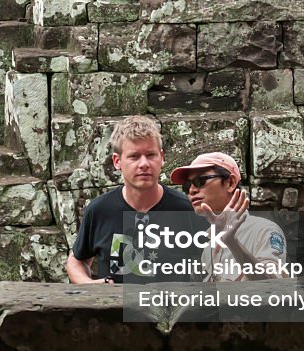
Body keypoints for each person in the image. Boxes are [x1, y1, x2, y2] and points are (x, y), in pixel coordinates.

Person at [65, 115, 194, 284]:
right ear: (117, 161)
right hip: (115, 309)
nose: (144, 164)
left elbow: (212, 266)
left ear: (161, 158)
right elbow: (76, 261)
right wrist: (90, 286)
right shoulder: (100, 210)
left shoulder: (185, 210)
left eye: (151, 155)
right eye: (134, 156)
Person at [170, 152, 289, 282]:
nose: (192, 190)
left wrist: (232, 242)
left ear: (230, 182)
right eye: (186, 186)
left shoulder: (264, 230)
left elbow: (273, 285)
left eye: (200, 181)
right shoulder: (208, 247)